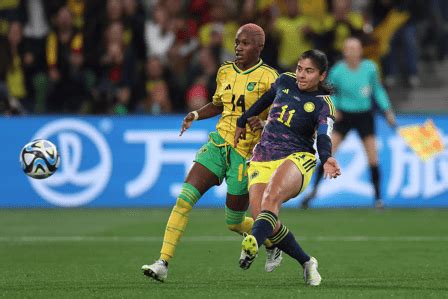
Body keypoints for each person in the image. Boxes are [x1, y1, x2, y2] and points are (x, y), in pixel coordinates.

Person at [141, 23, 282, 282]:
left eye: (245, 43)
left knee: (234, 222)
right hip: (218, 144)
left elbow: (280, 115)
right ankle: (163, 263)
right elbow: (219, 104)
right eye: (237, 42)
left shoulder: (270, 77)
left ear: (259, 47)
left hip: (245, 154)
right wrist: (196, 114)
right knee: (184, 199)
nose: (238, 47)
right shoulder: (225, 71)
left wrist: (263, 124)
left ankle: (272, 240)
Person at [234, 49, 341, 286]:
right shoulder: (284, 81)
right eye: (300, 69)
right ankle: (306, 262)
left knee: (271, 199)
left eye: (309, 71)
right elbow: (265, 100)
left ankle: (252, 243)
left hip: (296, 158)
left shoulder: (324, 105)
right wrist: (243, 120)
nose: (301, 75)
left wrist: (327, 158)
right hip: (262, 156)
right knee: (262, 216)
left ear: (322, 76)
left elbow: (324, 135)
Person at [300, 37, 396, 210]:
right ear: (344, 51)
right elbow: (331, 93)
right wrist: (334, 108)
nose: (351, 51)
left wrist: (387, 111)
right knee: (328, 154)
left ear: (360, 51)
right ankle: (312, 191)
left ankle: (378, 198)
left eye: (355, 48)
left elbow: (377, 90)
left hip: (365, 116)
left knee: (372, 156)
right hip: (344, 116)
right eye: (348, 48)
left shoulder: (370, 68)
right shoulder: (337, 71)